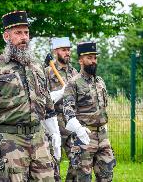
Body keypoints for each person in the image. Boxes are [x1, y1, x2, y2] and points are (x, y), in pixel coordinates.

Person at [0, 10, 61, 181]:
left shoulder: (37, 66)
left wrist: (55, 132)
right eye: (18, 33)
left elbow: (48, 102)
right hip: (10, 140)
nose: (24, 37)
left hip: (38, 137)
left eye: (26, 32)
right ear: (6, 36)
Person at [63, 42, 116, 181]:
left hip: (103, 137)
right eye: (89, 58)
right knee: (82, 177)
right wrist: (79, 130)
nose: (93, 61)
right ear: (81, 60)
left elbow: (103, 108)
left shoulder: (100, 81)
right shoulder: (73, 83)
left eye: (95, 58)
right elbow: (67, 110)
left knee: (107, 175)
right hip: (84, 137)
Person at [45, 37, 78, 181]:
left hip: (71, 119)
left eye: (69, 50)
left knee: (77, 158)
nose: (67, 53)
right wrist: (59, 93)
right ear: (55, 51)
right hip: (53, 120)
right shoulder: (47, 71)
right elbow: (43, 97)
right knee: (53, 162)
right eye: (64, 50)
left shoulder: (74, 72)